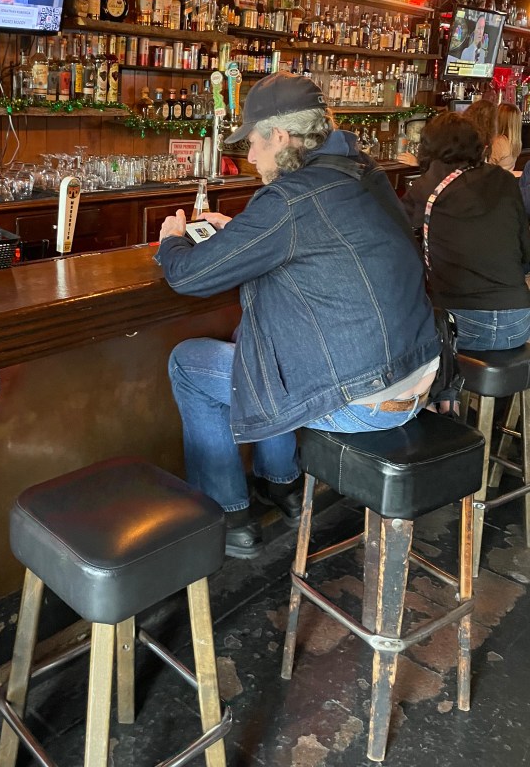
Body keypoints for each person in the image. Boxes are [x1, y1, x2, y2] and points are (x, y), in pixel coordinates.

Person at [157, 73, 440, 559]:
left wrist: (171, 241)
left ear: (280, 136)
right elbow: (316, 239)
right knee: (274, 343)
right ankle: (281, 484)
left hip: (363, 401)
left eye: (253, 142)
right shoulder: (363, 172)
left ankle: (228, 516)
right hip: (420, 379)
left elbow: (189, 276)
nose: (249, 156)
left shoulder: (289, 198)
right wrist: (245, 232)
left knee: (189, 363)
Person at [403, 112, 530, 351]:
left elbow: (398, 235)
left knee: (404, 328)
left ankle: (444, 377)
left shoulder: (428, 185)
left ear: (429, 146)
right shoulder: (503, 179)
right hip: (519, 320)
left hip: (463, 318)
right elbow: (525, 252)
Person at [490, 103, 522, 171]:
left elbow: (485, 169)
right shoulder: (514, 143)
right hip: (506, 177)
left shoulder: (498, 143)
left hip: (494, 177)